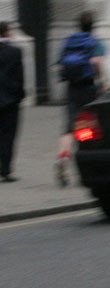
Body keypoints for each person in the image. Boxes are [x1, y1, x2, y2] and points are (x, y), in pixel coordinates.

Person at [56, 11, 106, 187]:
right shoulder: (95, 42)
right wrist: (103, 81)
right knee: (88, 125)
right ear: (93, 25)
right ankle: (90, 166)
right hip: (89, 87)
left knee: (69, 126)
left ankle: (63, 157)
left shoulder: (69, 41)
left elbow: (61, 64)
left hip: (71, 88)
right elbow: (96, 62)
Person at [0, 21, 25, 182]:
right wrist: (20, 94)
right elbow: (20, 76)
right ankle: (6, 169)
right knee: (8, 135)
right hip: (10, 100)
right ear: (7, 32)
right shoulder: (15, 51)